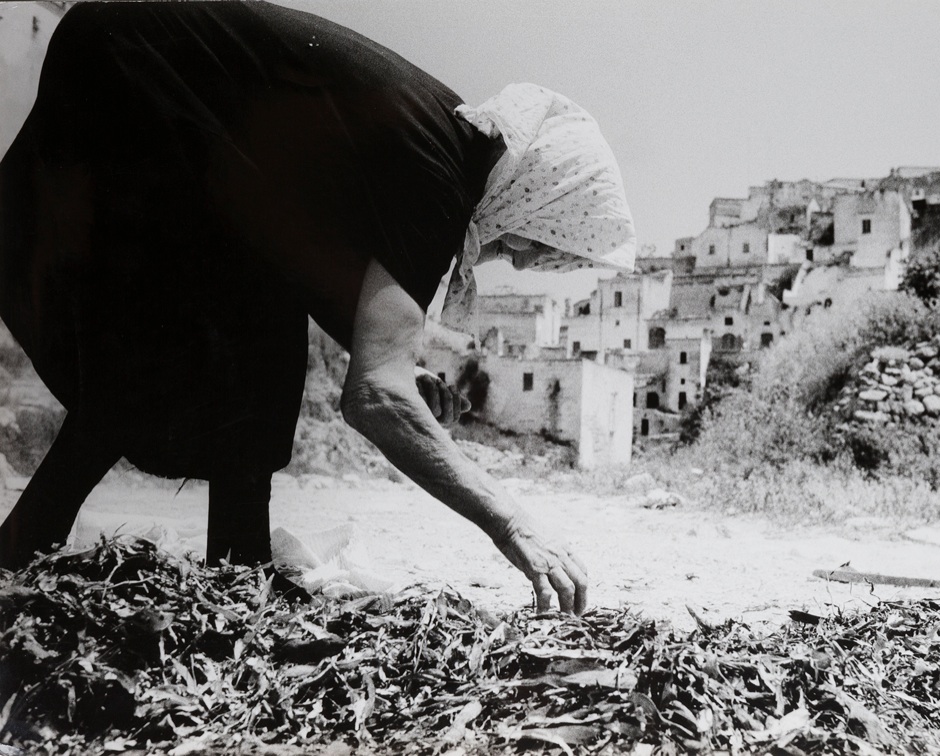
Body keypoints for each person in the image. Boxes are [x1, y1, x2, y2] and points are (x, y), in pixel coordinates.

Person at [0, 1, 635, 614]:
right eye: (540, 243)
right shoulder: (439, 180)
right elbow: (374, 399)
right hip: (131, 83)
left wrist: (389, 366)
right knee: (176, 342)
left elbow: (304, 251)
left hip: (137, 84)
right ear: (535, 194)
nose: (523, 262)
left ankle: (231, 561)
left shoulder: (442, 154)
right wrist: (511, 522)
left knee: (248, 318)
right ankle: (44, 544)